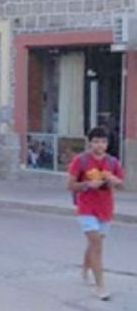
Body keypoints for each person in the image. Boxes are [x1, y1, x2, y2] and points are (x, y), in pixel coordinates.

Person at [67, 127, 124, 301]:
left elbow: (122, 184)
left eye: (103, 142)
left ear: (108, 144)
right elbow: (70, 185)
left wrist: (114, 180)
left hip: (105, 208)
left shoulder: (113, 162)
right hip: (86, 208)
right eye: (96, 141)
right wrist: (86, 185)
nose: (100, 145)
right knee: (97, 245)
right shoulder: (81, 161)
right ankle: (100, 286)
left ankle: (85, 268)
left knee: (94, 243)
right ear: (90, 143)